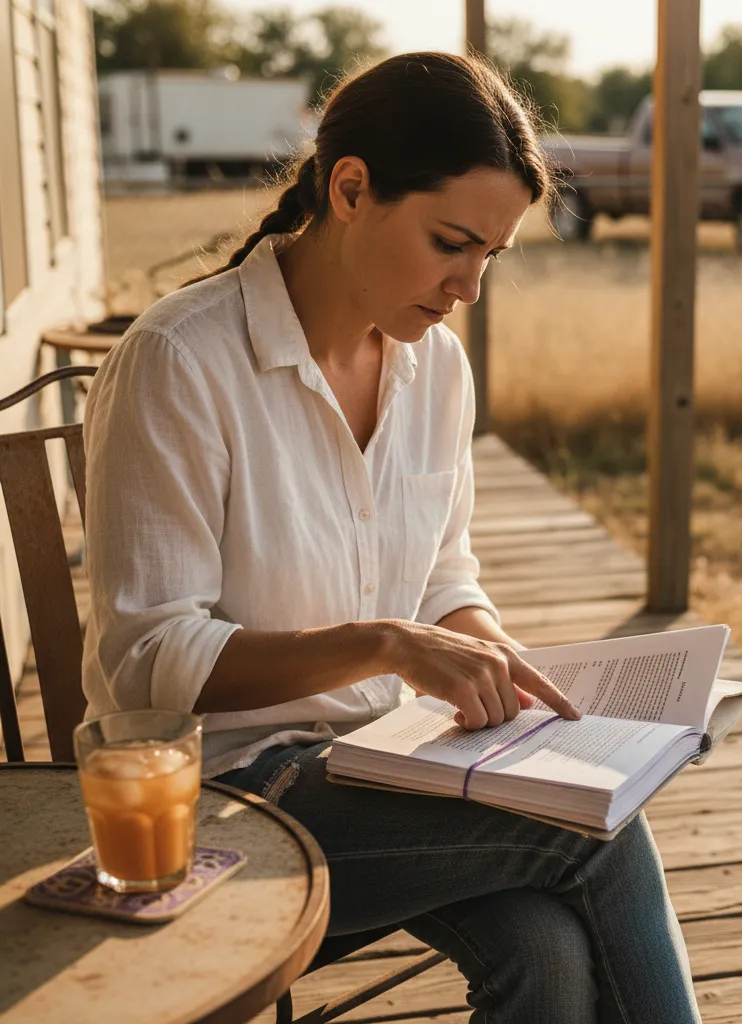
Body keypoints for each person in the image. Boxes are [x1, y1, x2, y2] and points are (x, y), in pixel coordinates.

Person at [82, 52, 703, 1024]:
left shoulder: (435, 371)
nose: (469, 287)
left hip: (382, 763)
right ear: (351, 187)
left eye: (491, 255)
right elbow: (148, 663)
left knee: (543, 950)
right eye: (450, 243)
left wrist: (489, 655)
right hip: (213, 807)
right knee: (604, 831)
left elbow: (443, 574)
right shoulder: (179, 360)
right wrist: (390, 644)